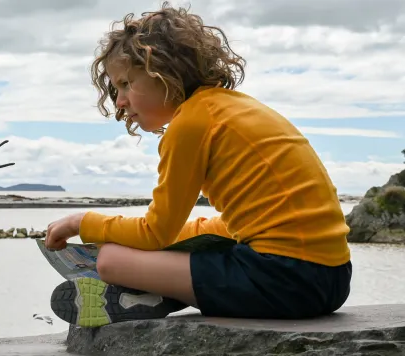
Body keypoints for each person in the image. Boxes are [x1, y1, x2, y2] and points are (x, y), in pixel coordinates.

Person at [44, 2, 352, 328]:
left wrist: (83, 222)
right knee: (179, 245)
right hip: (332, 277)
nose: (119, 101)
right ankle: (160, 288)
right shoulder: (232, 108)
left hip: (288, 280)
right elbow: (240, 225)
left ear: (163, 72)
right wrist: (174, 240)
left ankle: (151, 286)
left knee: (110, 260)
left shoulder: (190, 125)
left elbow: (154, 232)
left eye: (125, 84)